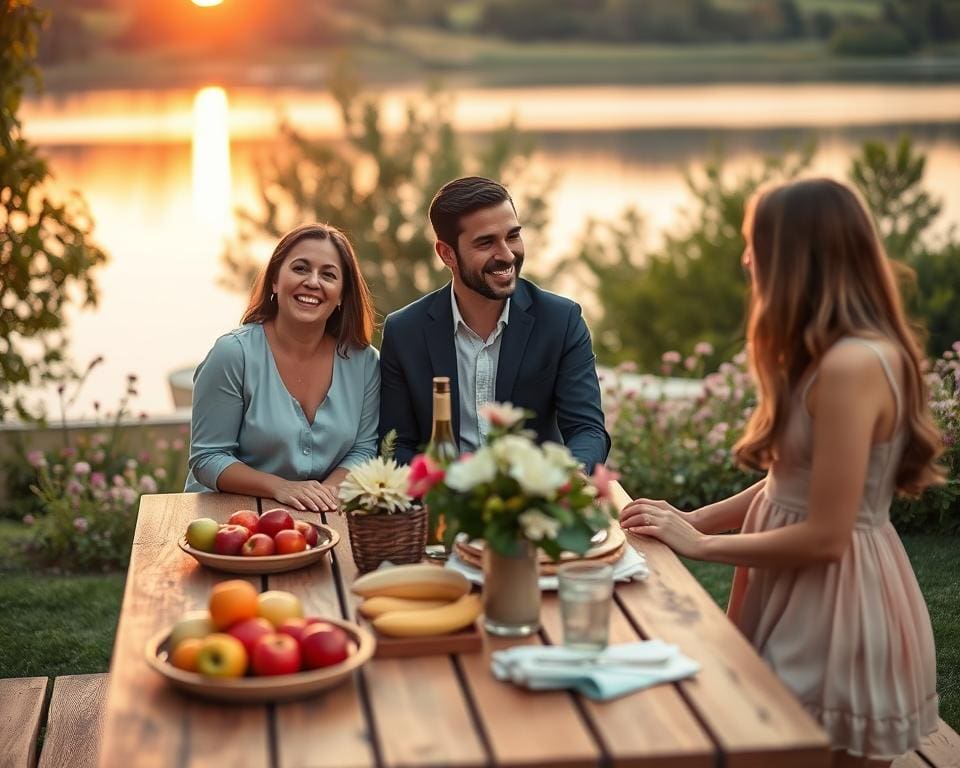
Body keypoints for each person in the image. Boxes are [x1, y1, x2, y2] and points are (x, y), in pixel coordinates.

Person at [621, 178, 942, 767]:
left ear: (795, 254)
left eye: (754, 243)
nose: (746, 259)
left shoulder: (853, 365)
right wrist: (692, 517)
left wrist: (702, 543)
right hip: (793, 593)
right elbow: (788, 483)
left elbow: (826, 536)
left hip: (837, 609)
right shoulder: (824, 353)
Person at [379, 175, 610, 469]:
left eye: (512, 236)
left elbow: (587, 431)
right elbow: (396, 444)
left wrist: (568, 478)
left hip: (534, 502)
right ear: (447, 253)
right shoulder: (404, 331)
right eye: (486, 242)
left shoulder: (561, 321)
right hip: (442, 503)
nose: (507, 254)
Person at [186, 223, 380, 512]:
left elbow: (364, 450)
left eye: (328, 274)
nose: (313, 282)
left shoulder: (364, 363)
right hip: (228, 519)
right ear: (275, 281)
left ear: (341, 295)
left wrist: (325, 495)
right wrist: (281, 487)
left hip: (324, 516)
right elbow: (208, 458)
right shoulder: (233, 355)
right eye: (300, 269)